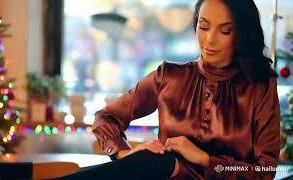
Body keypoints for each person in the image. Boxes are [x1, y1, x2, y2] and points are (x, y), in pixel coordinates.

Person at [60, 0, 280, 179]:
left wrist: (205, 160)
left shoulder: (260, 85)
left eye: (224, 31)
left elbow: (265, 171)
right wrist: (124, 153)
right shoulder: (169, 76)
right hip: (159, 171)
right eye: (203, 26)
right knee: (150, 161)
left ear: (241, 35)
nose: (209, 39)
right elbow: (106, 117)